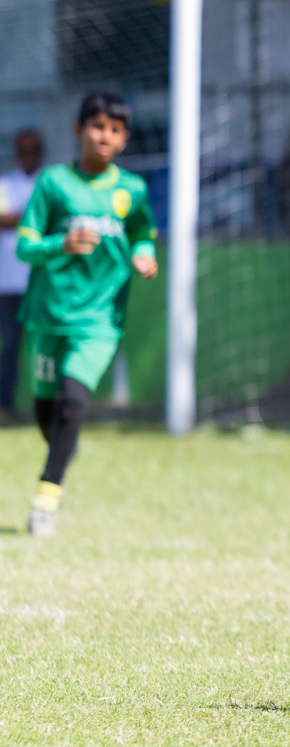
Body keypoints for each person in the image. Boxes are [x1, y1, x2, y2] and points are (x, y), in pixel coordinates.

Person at [17, 96, 157, 537]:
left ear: (125, 138)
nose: (105, 136)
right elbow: (25, 246)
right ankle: (62, 450)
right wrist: (62, 244)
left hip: (99, 321)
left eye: (115, 130)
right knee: (47, 409)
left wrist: (145, 254)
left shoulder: (131, 190)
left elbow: (143, 233)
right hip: (48, 316)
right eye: (97, 126)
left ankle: (46, 498)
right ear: (79, 131)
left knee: (74, 400)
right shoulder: (54, 184)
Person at [0, 129, 44, 422]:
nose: (28, 155)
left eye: (33, 149)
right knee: (11, 346)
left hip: (41, 281)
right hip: (8, 282)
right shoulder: (5, 183)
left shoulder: (49, 183)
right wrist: (33, 217)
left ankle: (47, 408)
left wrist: (20, 216)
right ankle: (5, 407)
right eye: (23, 150)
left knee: (44, 346)